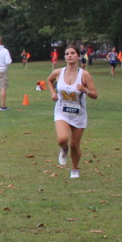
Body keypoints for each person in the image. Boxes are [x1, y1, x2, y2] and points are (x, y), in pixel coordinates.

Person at [48, 47, 98, 179]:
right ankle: (64, 149)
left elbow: (95, 95)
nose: (69, 55)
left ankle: (75, 169)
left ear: (78, 56)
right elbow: (49, 80)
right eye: (67, 54)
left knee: (74, 145)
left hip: (78, 114)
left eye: (72, 53)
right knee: (62, 139)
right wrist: (53, 93)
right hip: (62, 112)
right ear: (64, 57)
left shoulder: (84, 75)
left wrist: (85, 90)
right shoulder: (58, 72)